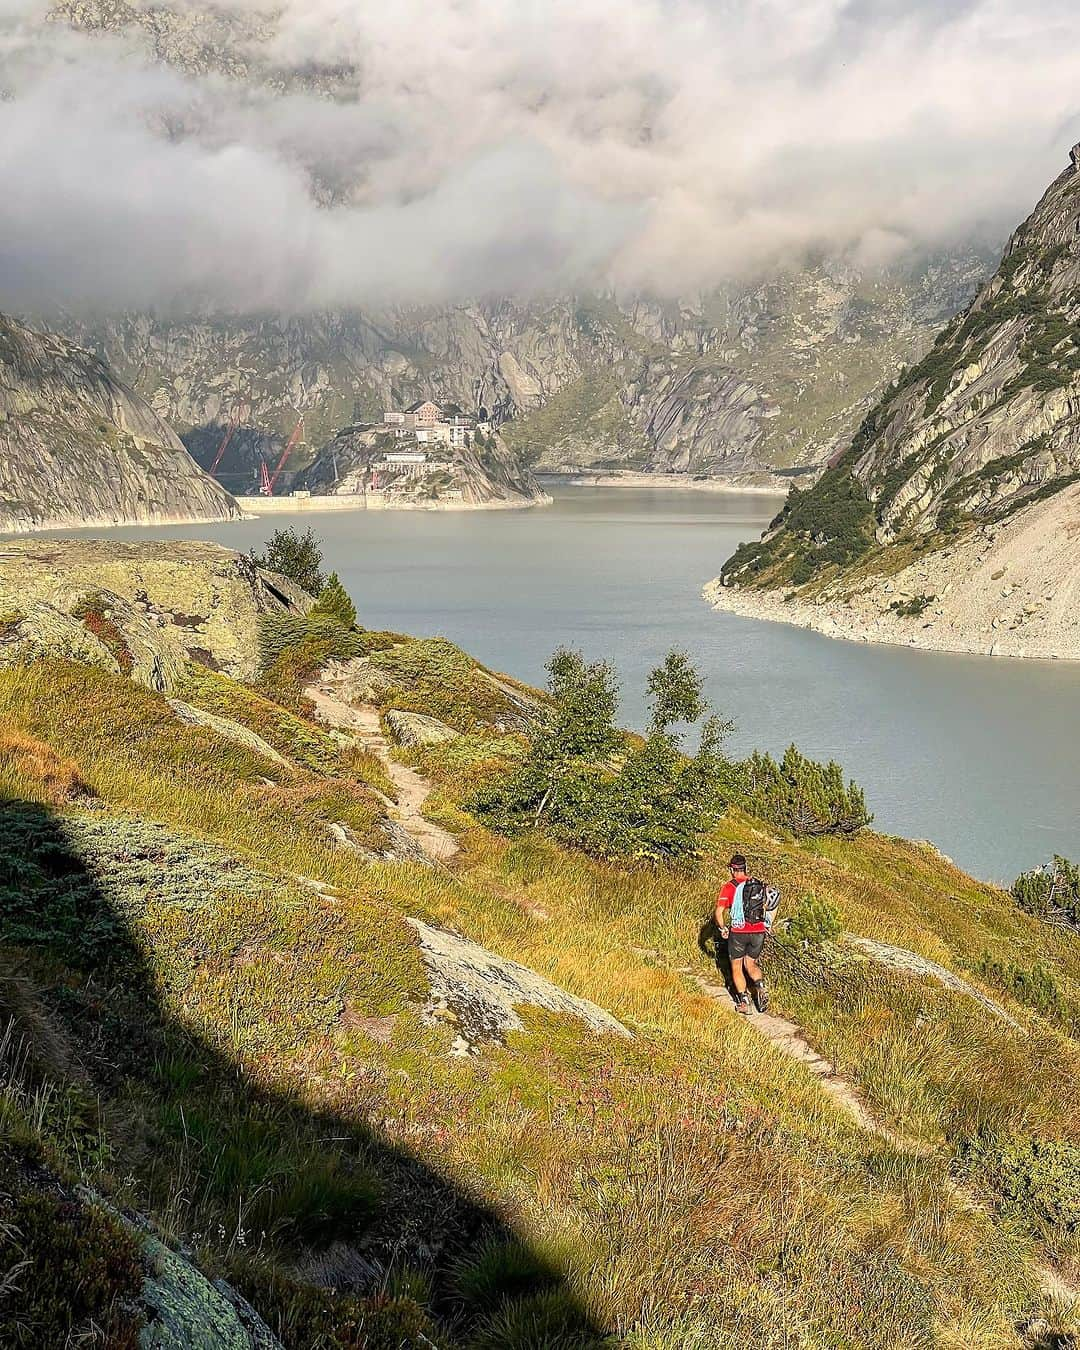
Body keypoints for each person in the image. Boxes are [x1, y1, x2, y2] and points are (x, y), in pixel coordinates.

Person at [716, 853, 770, 1015]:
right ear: (745, 868)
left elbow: (719, 912)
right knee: (751, 963)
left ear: (733, 869)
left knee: (737, 966)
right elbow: (767, 906)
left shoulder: (729, 887)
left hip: (739, 932)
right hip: (758, 930)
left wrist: (723, 928)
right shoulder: (757, 884)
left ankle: (744, 1002)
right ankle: (760, 986)